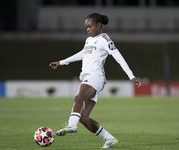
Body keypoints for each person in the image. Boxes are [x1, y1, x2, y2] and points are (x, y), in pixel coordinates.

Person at [49, 13, 141, 148]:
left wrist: (131, 76)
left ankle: (71, 125)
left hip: (95, 76)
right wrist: (61, 62)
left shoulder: (105, 39)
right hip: (90, 78)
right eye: (86, 27)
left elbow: (118, 57)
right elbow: (82, 54)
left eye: (90, 26)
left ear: (98, 25)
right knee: (84, 118)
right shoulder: (88, 40)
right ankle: (110, 139)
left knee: (78, 98)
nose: (88, 29)